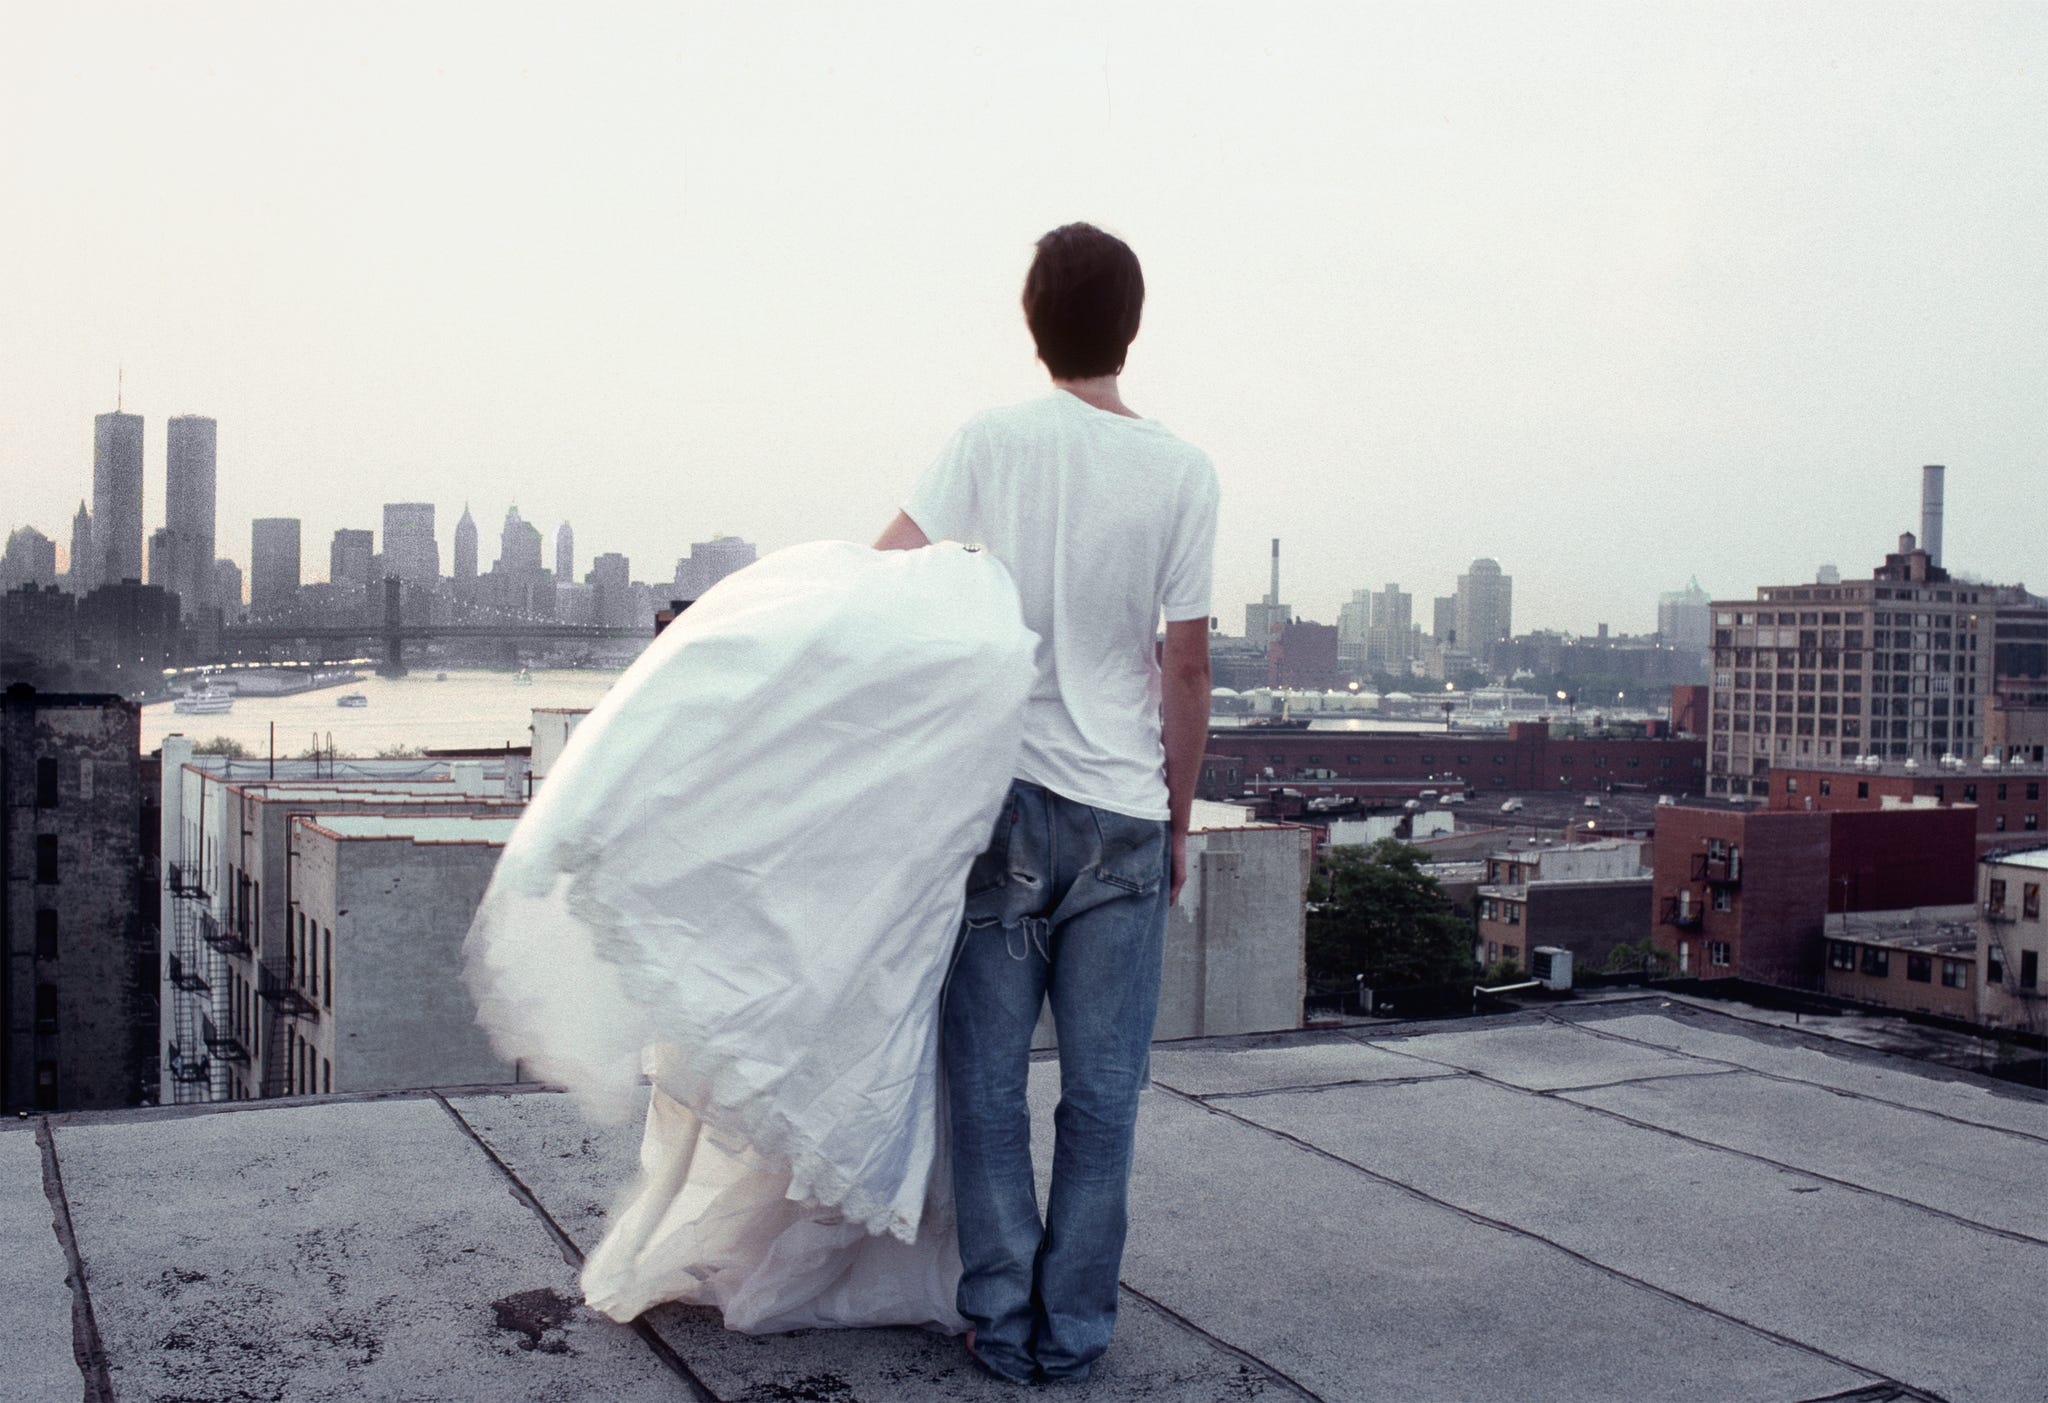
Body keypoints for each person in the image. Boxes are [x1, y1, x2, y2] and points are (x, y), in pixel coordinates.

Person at [874, 222, 1219, 1383]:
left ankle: (996, 1313)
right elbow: (1183, 666)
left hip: (1003, 805)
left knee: (983, 1084)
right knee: (1103, 1095)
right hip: (1122, 810)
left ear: (1034, 323)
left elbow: (883, 578)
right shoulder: (1182, 468)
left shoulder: (988, 441)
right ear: (1130, 323)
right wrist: (1177, 821)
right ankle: (1072, 1326)